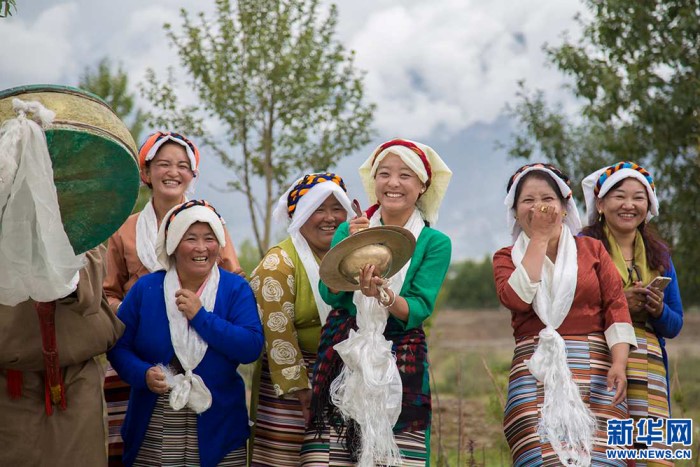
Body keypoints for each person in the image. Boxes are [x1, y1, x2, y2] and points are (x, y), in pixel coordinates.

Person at [301, 139, 453, 466]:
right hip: (344, 345)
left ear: (422, 186)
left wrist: (384, 295)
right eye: (384, 174)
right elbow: (330, 293)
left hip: (400, 350)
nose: (393, 183)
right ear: (374, 181)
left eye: (405, 175)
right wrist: (351, 245)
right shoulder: (351, 229)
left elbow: (417, 309)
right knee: (331, 454)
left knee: (398, 450)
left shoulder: (434, 243)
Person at [103, 131, 242, 464]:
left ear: (193, 174)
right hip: (138, 351)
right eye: (163, 164)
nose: (173, 172)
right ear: (145, 172)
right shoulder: (124, 229)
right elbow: (107, 292)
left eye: (182, 165)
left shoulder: (210, 225)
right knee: (135, 441)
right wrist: (138, 314)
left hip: (202, 347)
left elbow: (232, 279)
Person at [0, 98, 125, 466]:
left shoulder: (84, 224)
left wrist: (53, 250)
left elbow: (87, 296)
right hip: (11, 383)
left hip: (74, 377)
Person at [493, 163, 638, 466]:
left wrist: (619, 363)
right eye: (528, 200)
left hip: (597, 370)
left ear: (563, 206)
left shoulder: (592, 250)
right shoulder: (506, 257)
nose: (539, 207)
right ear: (515, 211)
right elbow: (516, 299)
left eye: (547, 199)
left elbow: (616, 307)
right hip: (535, 371)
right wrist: (539, 239)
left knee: (601, 455)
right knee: (541, 454)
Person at [107, 200, 263, 467]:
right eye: (191, 238)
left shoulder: (235, 289)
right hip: (155, 418)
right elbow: (118, 347)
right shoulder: (147, 289)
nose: (201, 248)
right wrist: (143, 374)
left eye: (209, 238)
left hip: (219, 419)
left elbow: (251, 347)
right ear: (173, 244)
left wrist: (201, 317)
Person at [249, 173, 355, 466]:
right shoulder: (278, 264)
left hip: (345, 379)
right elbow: (277, 331)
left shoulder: (352, 255)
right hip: (293, 384)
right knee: (286, 458)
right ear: (300, 214)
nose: (330, 218)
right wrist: (302, 389)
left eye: (337, 208)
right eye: (319, 209)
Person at [581, 161, 683, 463]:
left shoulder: (659, 256)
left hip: (647, 366)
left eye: (639, 197)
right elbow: (571, 309)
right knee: (600, 448)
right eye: (619, 196)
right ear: (601, 204)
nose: (629, 205)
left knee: (650, 453)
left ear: (648, 206)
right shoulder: (581, 248)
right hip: (597, 358)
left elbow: (675, 325)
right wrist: (619, 304)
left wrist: (658, 309)